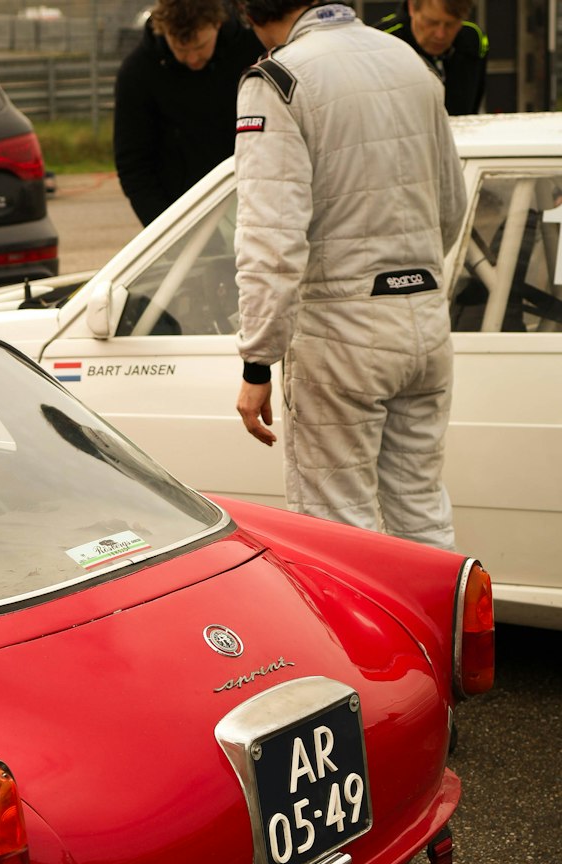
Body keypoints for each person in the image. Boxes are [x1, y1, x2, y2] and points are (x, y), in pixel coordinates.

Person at [231, 2, 467, 551]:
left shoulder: (277, 79)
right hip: (427, 323)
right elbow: (450, 208)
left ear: (249, 14)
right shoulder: (410, 61)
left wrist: (257, 360)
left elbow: (272, 236)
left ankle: (363, 642)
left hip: (341, 333)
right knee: (422, 515)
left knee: (338, 535)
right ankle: (445, 637)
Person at [113, 0, 263, 227]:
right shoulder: (138, 74)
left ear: (218, 23)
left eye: (201, 46)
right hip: (183, 217)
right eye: (181, 49)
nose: (193, 59)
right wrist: (166, 229)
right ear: (162, 32)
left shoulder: (253, 52)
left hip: (255, 205)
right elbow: (133, 164)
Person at [379, 1, 488, 116]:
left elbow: (470, 110)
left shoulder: (474, 40)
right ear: (412, 8)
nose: (440, 34)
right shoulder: (381, 42)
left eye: (451, 24)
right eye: (431, 23)